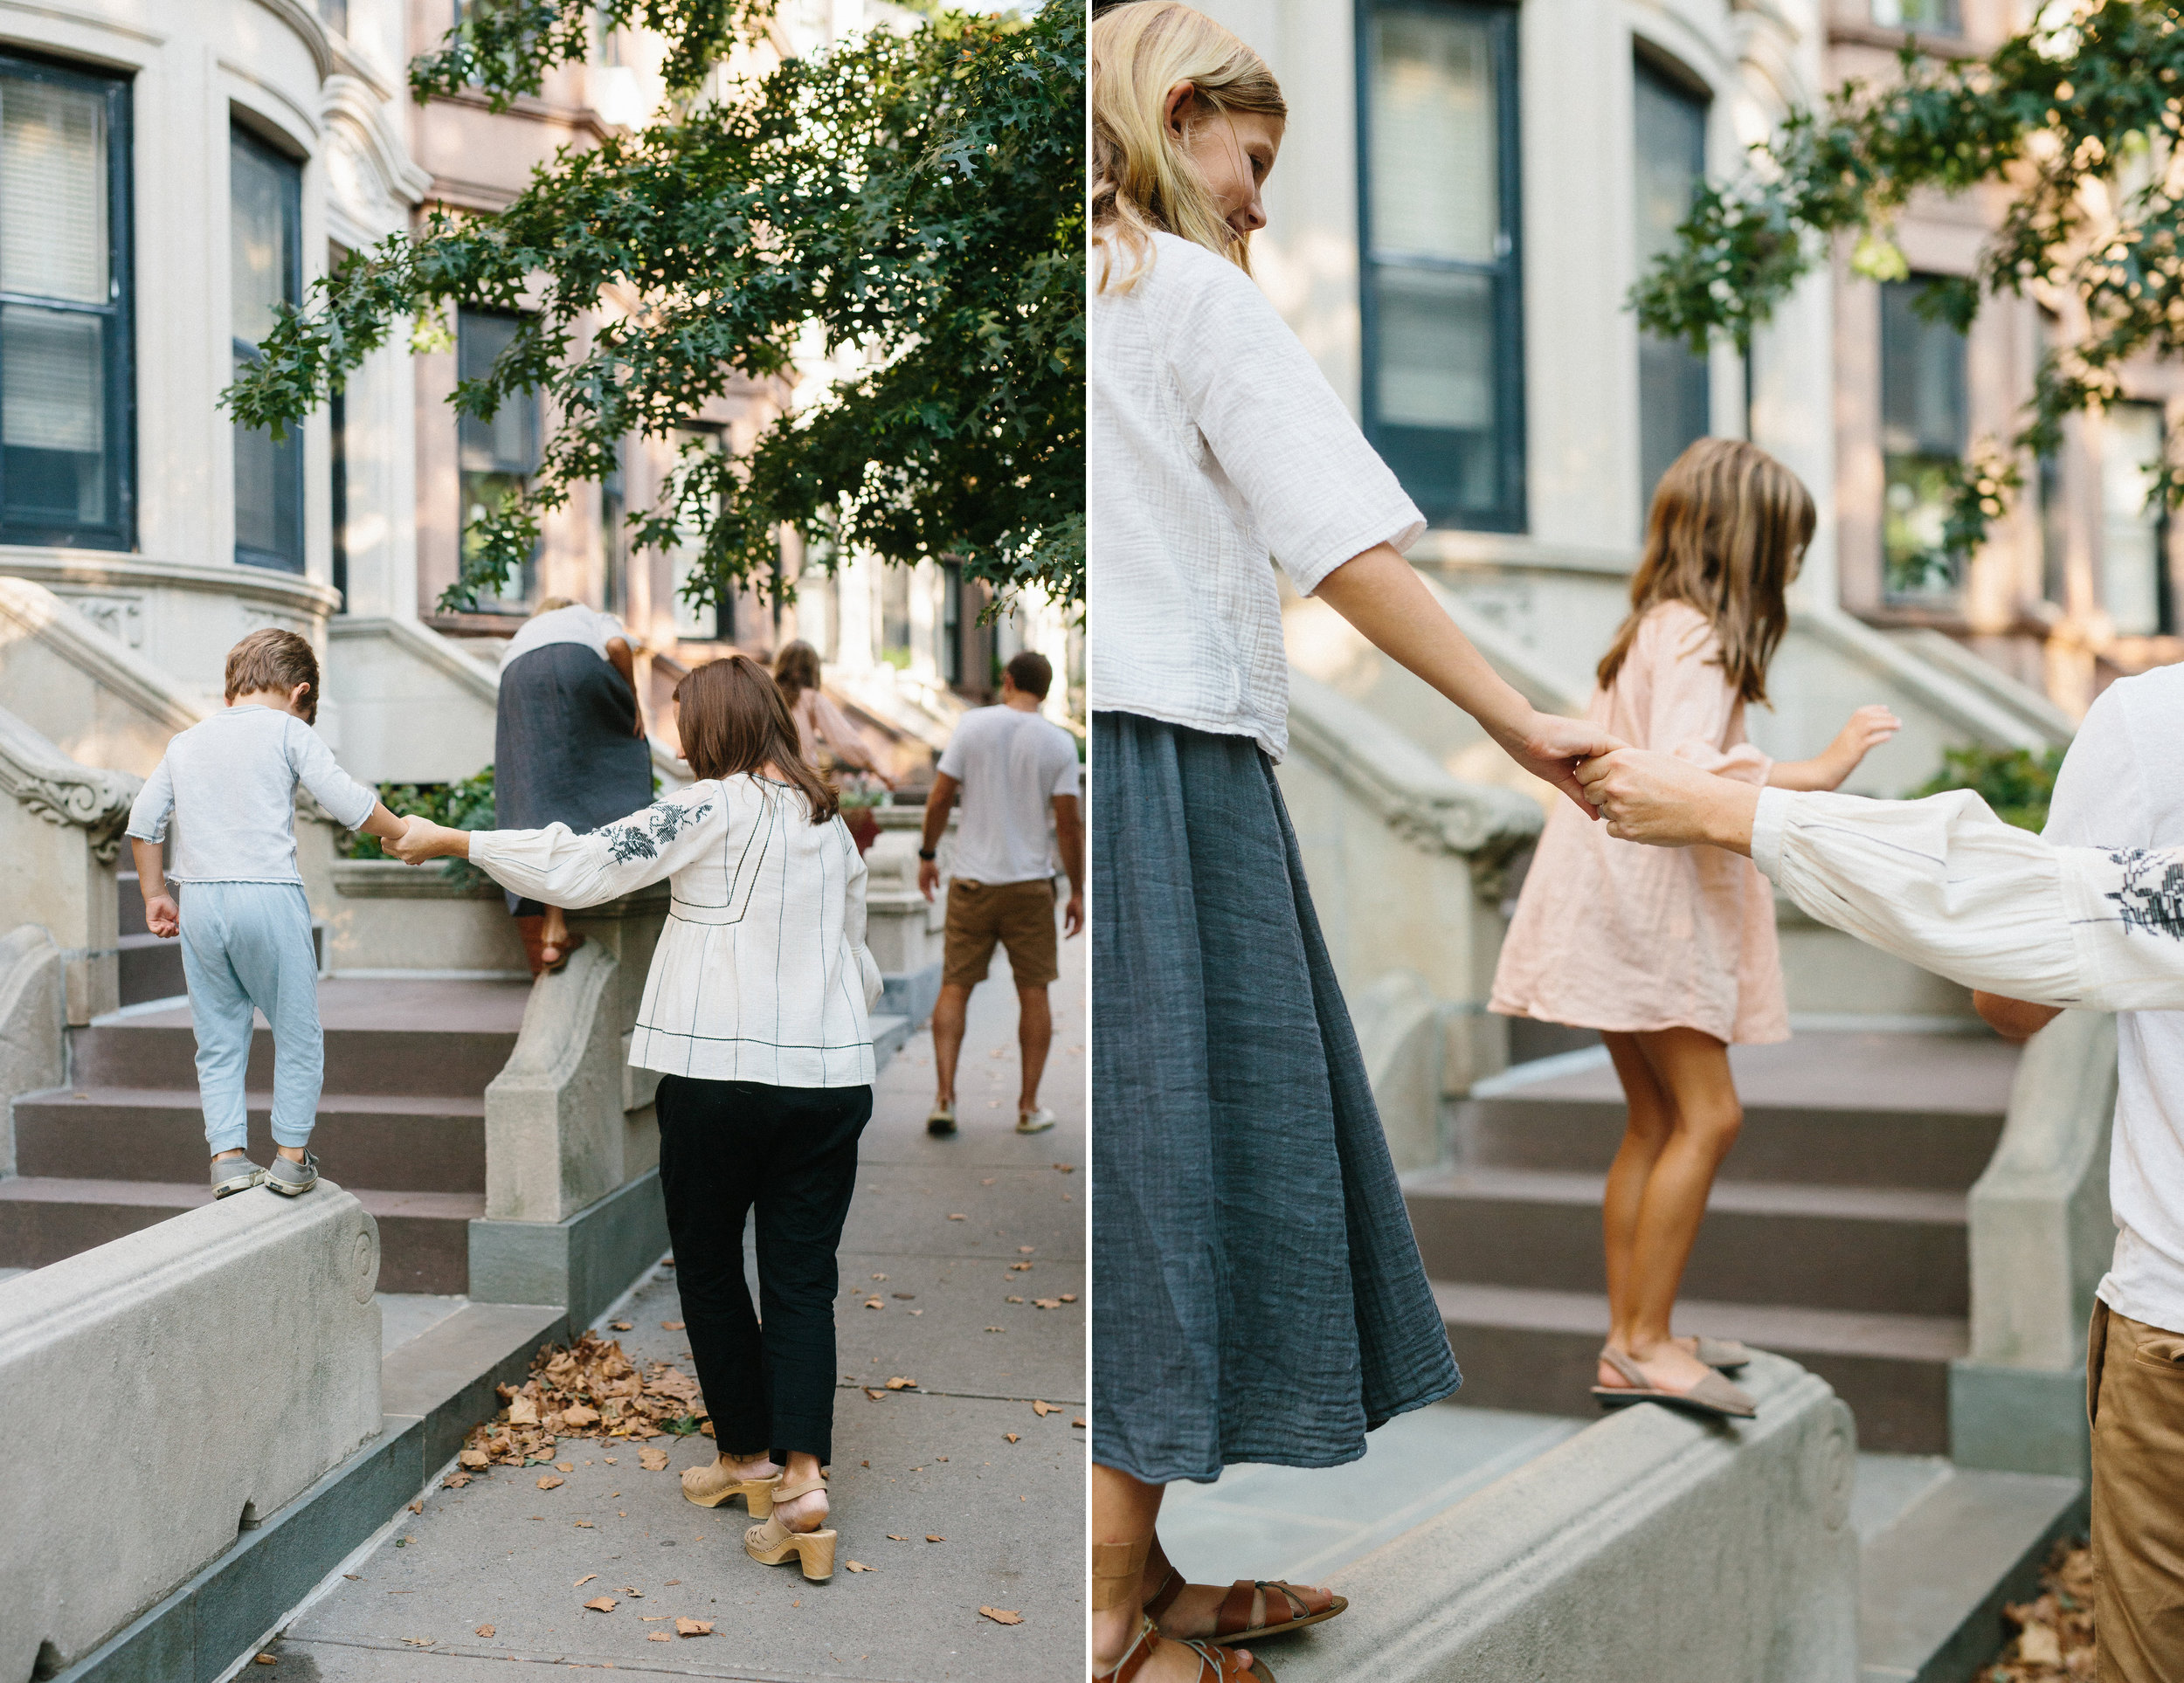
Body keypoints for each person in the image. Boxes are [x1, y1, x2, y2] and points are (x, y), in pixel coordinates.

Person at [1087, 6, 1618, 1678]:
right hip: (1169, 765)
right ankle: (1102, 1610)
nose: (1258, 205)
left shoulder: (1091, 297)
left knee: (1150, 1151)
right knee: (1178, 1158)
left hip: (1128, 753)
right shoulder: (1178, 291)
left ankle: (1137, 1562)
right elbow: (1344, 543)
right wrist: (1522, 722)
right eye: (1254, 163)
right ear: (1180, 117)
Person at [1575, 680, 2184, 1681]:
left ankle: (1635, 1338)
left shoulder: (2157, 719)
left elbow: (2022, 967)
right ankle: (1636, 1338)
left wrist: (1725, 810)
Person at [391, 654, 882, 1584]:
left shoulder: (709, 807)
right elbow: (856, 962)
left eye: (685, 721)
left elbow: (580, 865)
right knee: (801, 1279)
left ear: (715, 729)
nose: (680, 738)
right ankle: (803, 1485)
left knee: (706, 1263)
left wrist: (453, 840)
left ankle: (744, 1457)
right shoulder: (830, 826)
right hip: (830, 1081)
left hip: (720, 1074)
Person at [1489, 438, 1901, 1419]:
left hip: (1604, 895)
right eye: (1788, 547)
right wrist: (1823, 767)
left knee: (1653, 1120)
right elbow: (1682, 769)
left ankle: (1635, 1333)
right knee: (1709, 1116)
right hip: (1649, 908)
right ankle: (1639, 1342)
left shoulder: (1653, 624)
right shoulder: (1702, 636)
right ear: (1749, 544)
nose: (1793, 567)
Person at [125, 629, 407, 1200]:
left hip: (201, 901)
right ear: (301, 691)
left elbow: (143, 821)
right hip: (269, 895)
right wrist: (404, 833)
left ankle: (227, 1157)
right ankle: (290, 1157)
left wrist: (156, 893)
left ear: (234, 684)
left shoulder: (186, 741)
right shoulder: (286, 730)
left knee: (219, 1038)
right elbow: (350, 803)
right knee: (296, 1031)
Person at [916, 650, 1083, 1138]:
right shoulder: (1059, 743)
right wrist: (1076, 890)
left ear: (1006, 680)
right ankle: (1028, 1109)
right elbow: (1069, 826)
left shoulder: (972, 726)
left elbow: (940, 796)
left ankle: (944, 1098)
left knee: (955, 987)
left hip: (971, 883)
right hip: (1030, 887)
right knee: (1034, 993)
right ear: (1046, 690)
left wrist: (928, 855)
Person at [494, 596, 653, 974]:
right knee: (612, 758)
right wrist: (631, 698)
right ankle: (615, 860)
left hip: (514, 680)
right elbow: (617, 645)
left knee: (538, 794)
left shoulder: (526, 632)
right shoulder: (588, 617)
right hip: (577, 665)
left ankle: (553, 928)